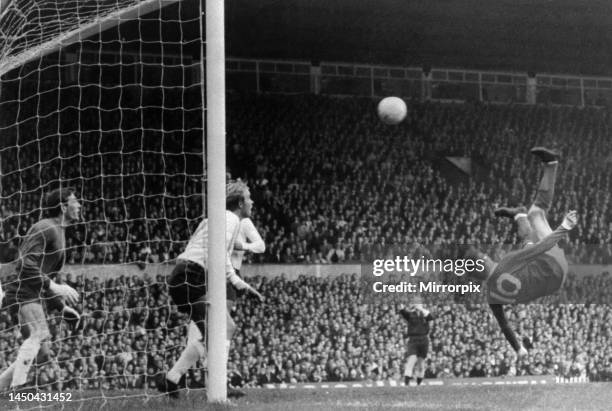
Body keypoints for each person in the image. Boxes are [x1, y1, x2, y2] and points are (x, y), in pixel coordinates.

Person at [157, 180, 264, 399]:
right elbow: (220, 255)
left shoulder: (216, 218)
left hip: (185, 274)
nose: (252, 202)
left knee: (216, 333)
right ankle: (218, 389)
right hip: (193, 275)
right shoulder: (231, 219)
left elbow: (207, 250)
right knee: (222, 330)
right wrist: (239, 284)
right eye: (249, 198)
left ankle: (172, 379)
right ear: (241, 202)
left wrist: (239, 285)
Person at [468, 147, 577, 356]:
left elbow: (504, 326)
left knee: (530, 233)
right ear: (486, 261)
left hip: (554, 280)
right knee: (535, 217)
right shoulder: (506, 263)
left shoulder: (491, 297)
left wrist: (518, 349)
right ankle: (549, 168)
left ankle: (520, 215)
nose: (489, 257)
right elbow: (543, 246)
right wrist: (564, 227)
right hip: (551, 265)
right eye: (486, 257)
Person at [0, 188, 81, 392]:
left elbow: (46, 278)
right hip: (22, 291)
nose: (79, 205)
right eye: (75, 201)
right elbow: (26, 264)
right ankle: (18, 388)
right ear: (63, 206)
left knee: (43, 354)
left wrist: (61, 308)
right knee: (39, 333)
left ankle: (2, 387)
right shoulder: (46, 227)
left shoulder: (60, 233)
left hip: (34, 294)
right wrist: (54, 286)